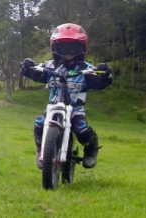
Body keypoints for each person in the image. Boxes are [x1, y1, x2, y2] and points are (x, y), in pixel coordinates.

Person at [20, 23, 113, 169]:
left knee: (81, 129)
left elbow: (99, 83)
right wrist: (28, 68)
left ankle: (91, 147)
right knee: (39, 124)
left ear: (82, 49)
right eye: (62, 48)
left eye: (73, 48)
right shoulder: (50, 66)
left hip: (75, 110)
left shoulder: (87, 69)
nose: (68, 52)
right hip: (53, 107)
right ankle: (40, 149)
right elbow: (37, 74)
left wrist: (105, 76)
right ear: (54, 48)